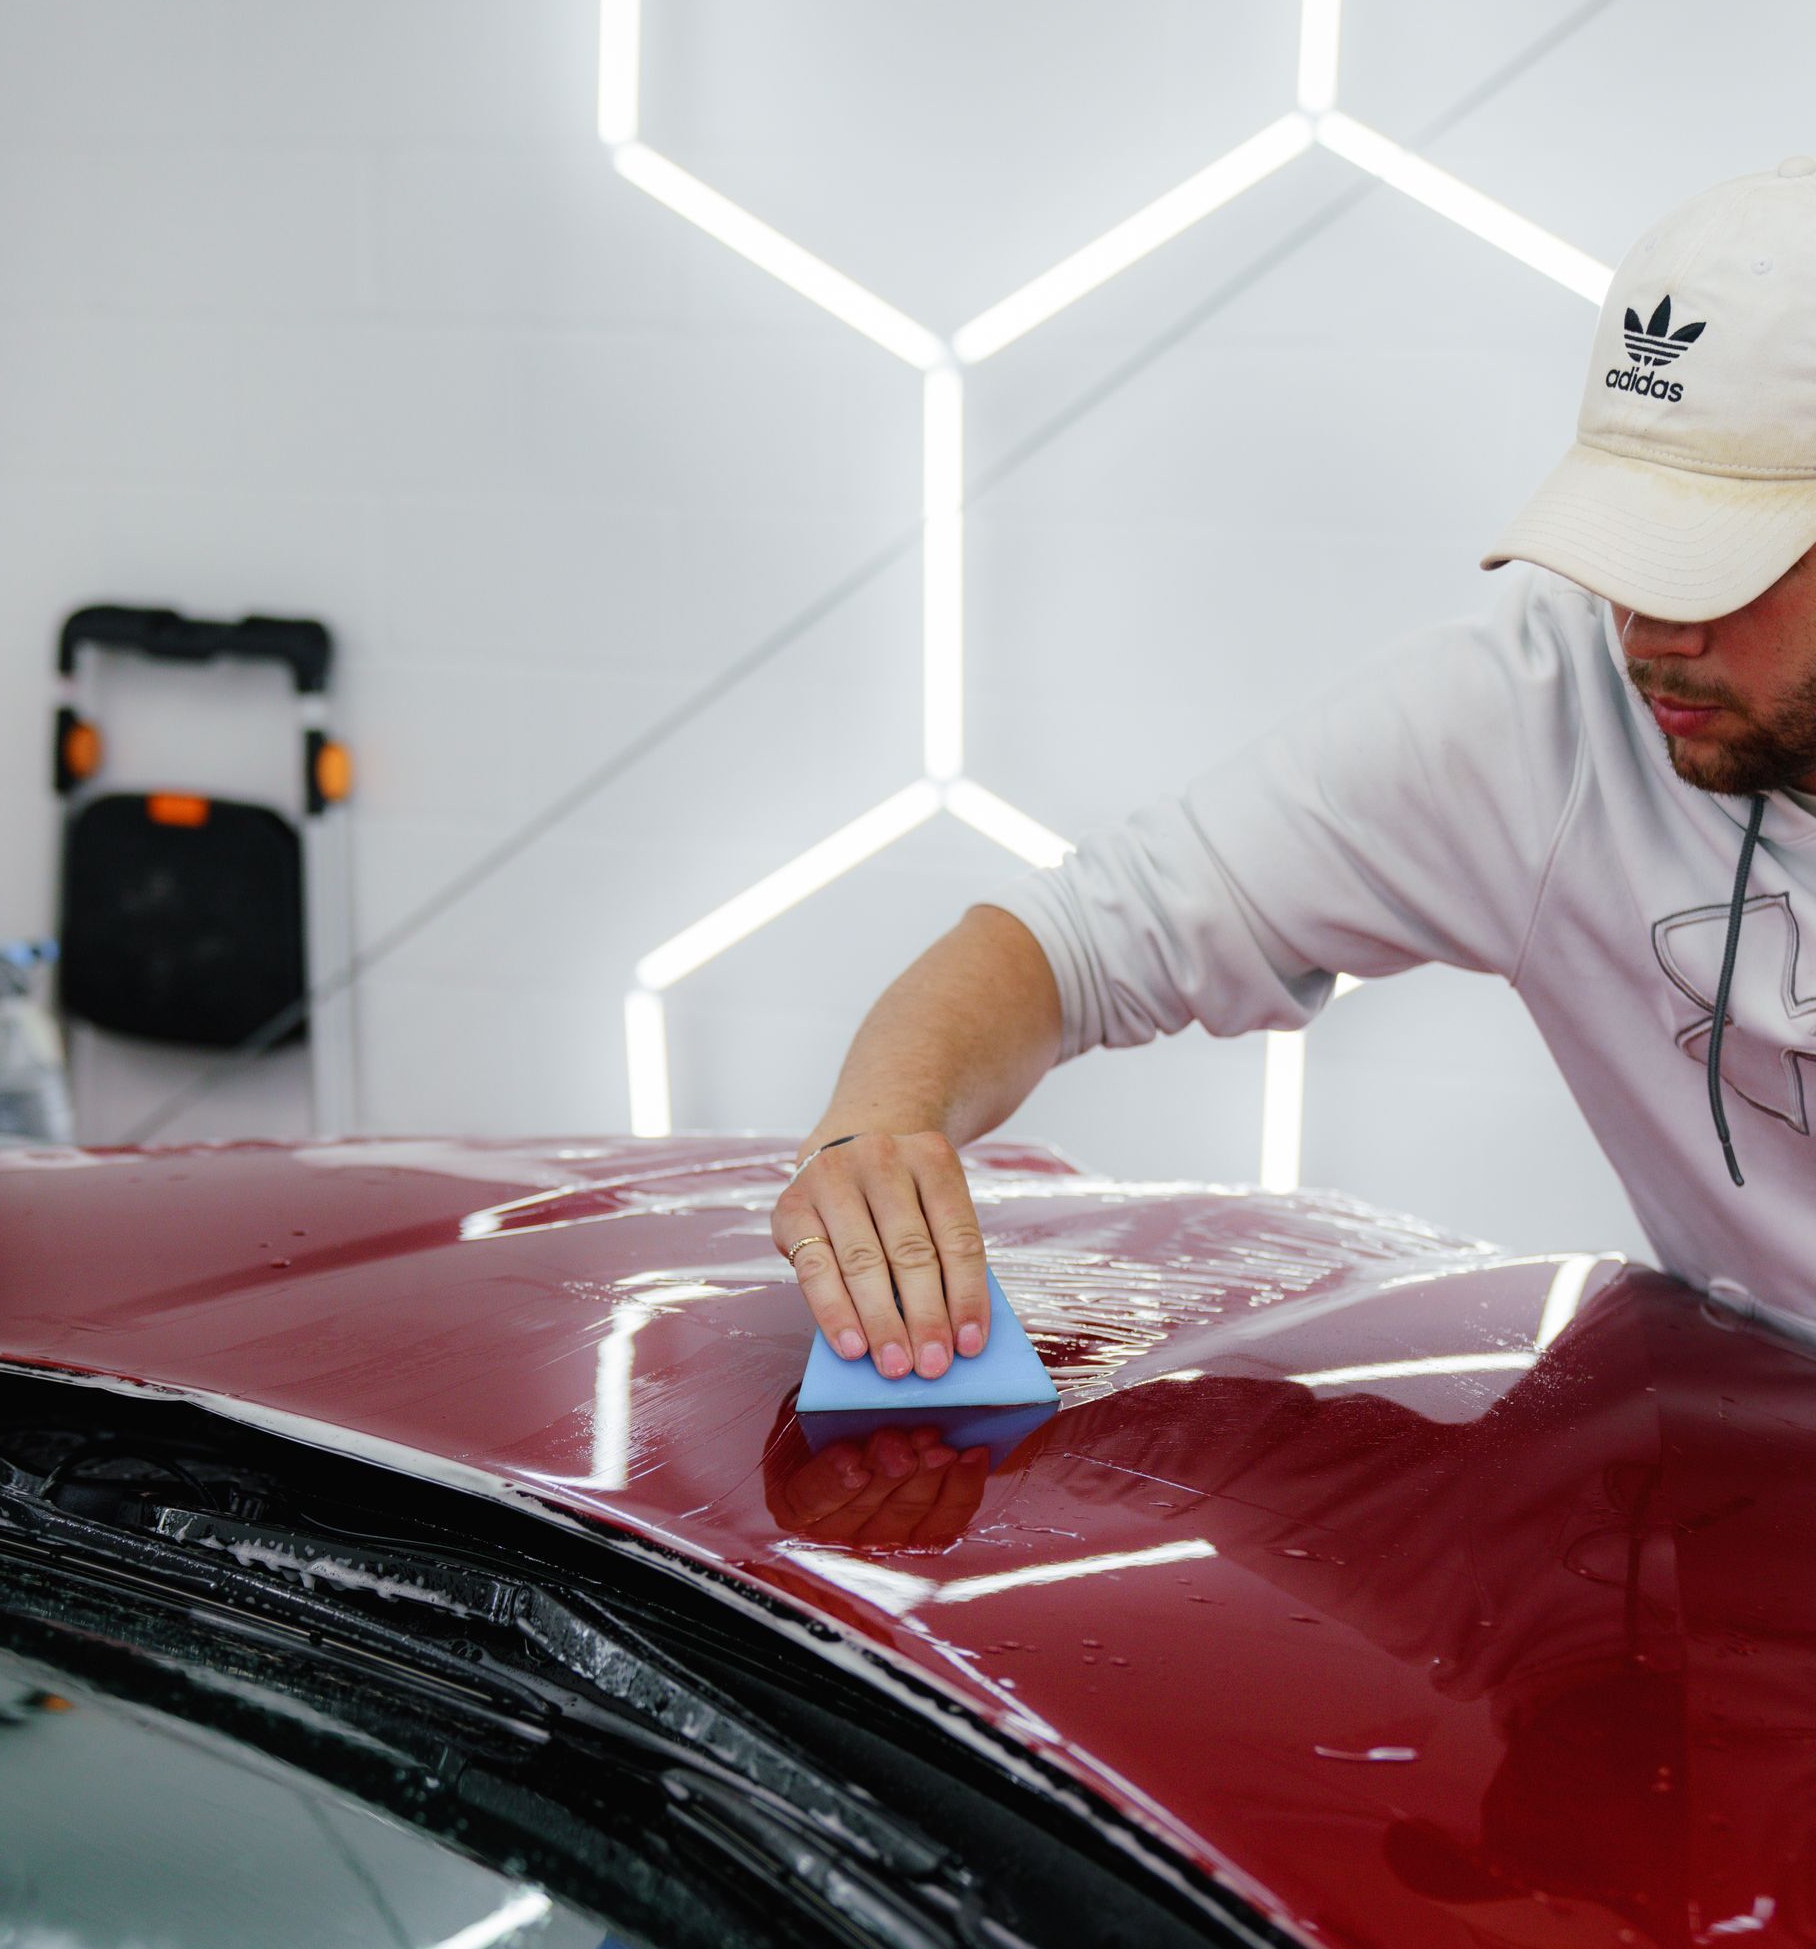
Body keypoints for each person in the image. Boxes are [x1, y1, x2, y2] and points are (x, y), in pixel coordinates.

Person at [772, 160, 1816, 1364]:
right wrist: (876, 1129)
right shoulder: (1547, 710)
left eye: (1715, 564)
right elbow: (1069, 941)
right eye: (1624, 547)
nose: (1650, 631)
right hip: (1737, 1436)